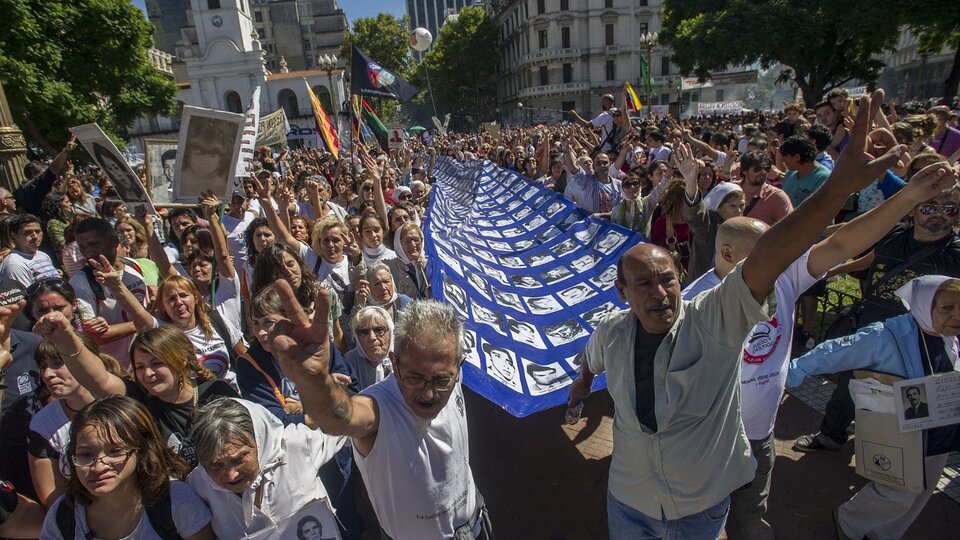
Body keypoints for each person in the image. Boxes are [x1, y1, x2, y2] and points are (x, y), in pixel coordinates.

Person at [565, 91, 905, 537]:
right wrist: (583, 383)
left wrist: (839, 186)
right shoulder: (610, 332)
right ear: (621, 292)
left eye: (667, 279)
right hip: (629, 505)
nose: (661, 292)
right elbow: (589, 361)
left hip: (700, 509)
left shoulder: (713, 315)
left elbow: (772, 257)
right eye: (644, 283)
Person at [679, 158, 958, 538]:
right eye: (765, 254)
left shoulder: (784, 277)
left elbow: (842, 243)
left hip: (759, 438)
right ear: (728, 255)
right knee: (699, 520)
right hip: (707, 440)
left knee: (751, 519)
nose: (778, 259)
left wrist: (910, 196)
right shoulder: (691, 304)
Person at [267, 290, 493, 539]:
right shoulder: (380, 407)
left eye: (441, 380)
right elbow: (341, 416)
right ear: (395, 364)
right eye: (415, 378)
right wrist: (315, 381)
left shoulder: (455, 373)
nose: (429, 394)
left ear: (458, 365)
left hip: (476, 525)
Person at [795, 169, 960, 453]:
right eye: (930, 207)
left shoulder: (955, 255)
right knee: (848, 384)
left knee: (907, 405)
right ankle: (831, 435)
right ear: (913, 210)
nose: (939, 215)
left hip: (917, 346)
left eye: (950, 209)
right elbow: (866, 255)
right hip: (870, 326)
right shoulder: (894, 234)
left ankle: (895, 461)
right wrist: (831, 268)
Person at [786, 276, 960, 539]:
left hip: (939, 434)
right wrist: (787, 375)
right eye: (947, 308)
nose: (957, 315)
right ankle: (849, 523)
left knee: (921, 492)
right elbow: (834, 352)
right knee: (898, 491)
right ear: (924, 305)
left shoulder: (952, 338)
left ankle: (882, 534)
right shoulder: (885, 336)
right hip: (902, 432)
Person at [32, 311, 237, 468]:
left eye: (157, 363)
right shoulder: (139, 401)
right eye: (139, 367)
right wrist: (66, 339)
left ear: (182, 360)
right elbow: (97, 379)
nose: (147, 374)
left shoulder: (216, 393)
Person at [39, 395, 214, 539]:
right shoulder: (64, 514)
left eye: (114, 452)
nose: (98, 467)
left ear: (142, 450)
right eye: (86, 455)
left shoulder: (177, 502)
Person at [186, 397, 345, 539]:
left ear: (261, 440)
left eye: (238, 459)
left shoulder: (295, 445)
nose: (231, 475)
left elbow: (351, 424)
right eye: (216, 465)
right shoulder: (198, 485)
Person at [28, 336, 127, 508]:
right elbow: (54, 499)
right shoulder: (42, 424)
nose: (47, 374)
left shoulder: (122, 403)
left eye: (57, 363)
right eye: (43, 366)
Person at [69, 218, 148, 366]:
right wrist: (143, 323)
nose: (88, 252)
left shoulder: (134, 267)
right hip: (116, 369)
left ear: (114, 241)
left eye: (94, 244)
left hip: (146, 363)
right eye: (82, 247)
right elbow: (90, 336)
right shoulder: (80, 283)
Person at [0, 215, 61, 287]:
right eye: (28, 232)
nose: (35, 236)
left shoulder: (43, 255)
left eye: (38, 231)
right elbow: (25, 296)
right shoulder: (14, 264)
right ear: (14, 235)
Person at [734, 152, 793, 226]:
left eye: (766, 168)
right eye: (757, 169)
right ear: (744, 170)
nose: (763, 172)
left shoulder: (777, 197)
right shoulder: (731, 190)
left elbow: (790, 226)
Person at [344, 306, 394, 390]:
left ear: (390, 331)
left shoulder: (403, 358)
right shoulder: (349, 362)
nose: (372, 337)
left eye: (379, 330)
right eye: (364, 332)